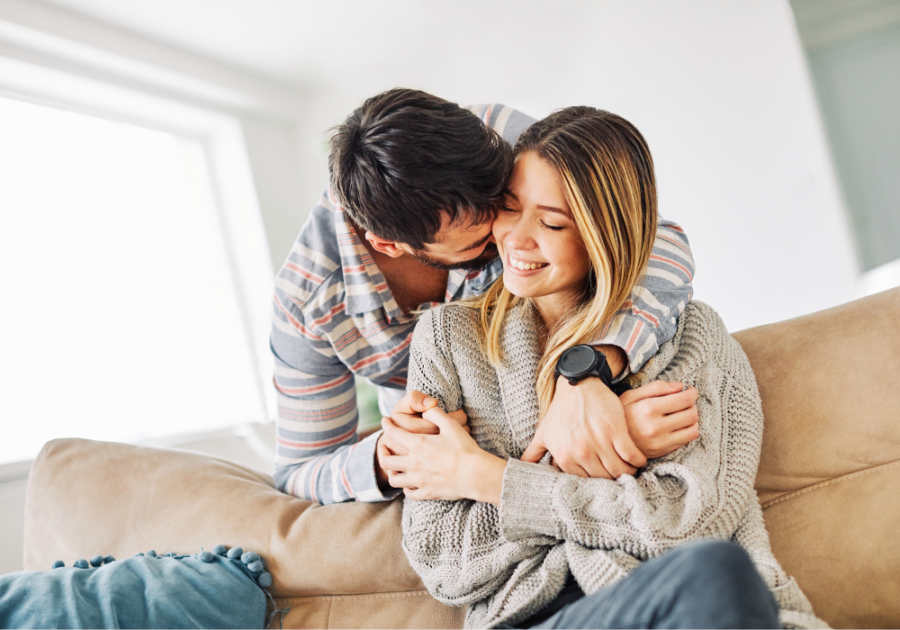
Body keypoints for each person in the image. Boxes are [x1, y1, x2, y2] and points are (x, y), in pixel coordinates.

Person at [380, 107, 824, 628]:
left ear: (604, 234)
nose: (518, 239)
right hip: (535, 620)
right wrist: (587, 468)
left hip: (689, 607)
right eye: (508, 207)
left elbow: (690, 521)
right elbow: (445, 561)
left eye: (551, 222)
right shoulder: (448, 339)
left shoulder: (693, 339)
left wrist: (486, 477)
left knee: (713, 573)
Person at [271, 89, 698, 504]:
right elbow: (298, 471)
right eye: (480, 238)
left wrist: (585, 369)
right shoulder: (308, 303)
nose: (508, 236)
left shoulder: (491, 138)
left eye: (506, 203)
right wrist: (391, 456)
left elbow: (647, 235)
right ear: (389, 245)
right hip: (454, 468)